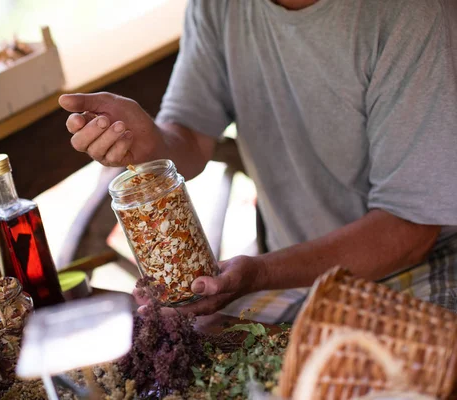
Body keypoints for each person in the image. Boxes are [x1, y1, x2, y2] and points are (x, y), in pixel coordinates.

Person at [58, 0, 457, 323]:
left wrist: (261, 272)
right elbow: (190, 140)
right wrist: (150, 142)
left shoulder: (414, 14)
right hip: (291, 274)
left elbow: (409, 232)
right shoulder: (219, 7)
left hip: (421, 266)